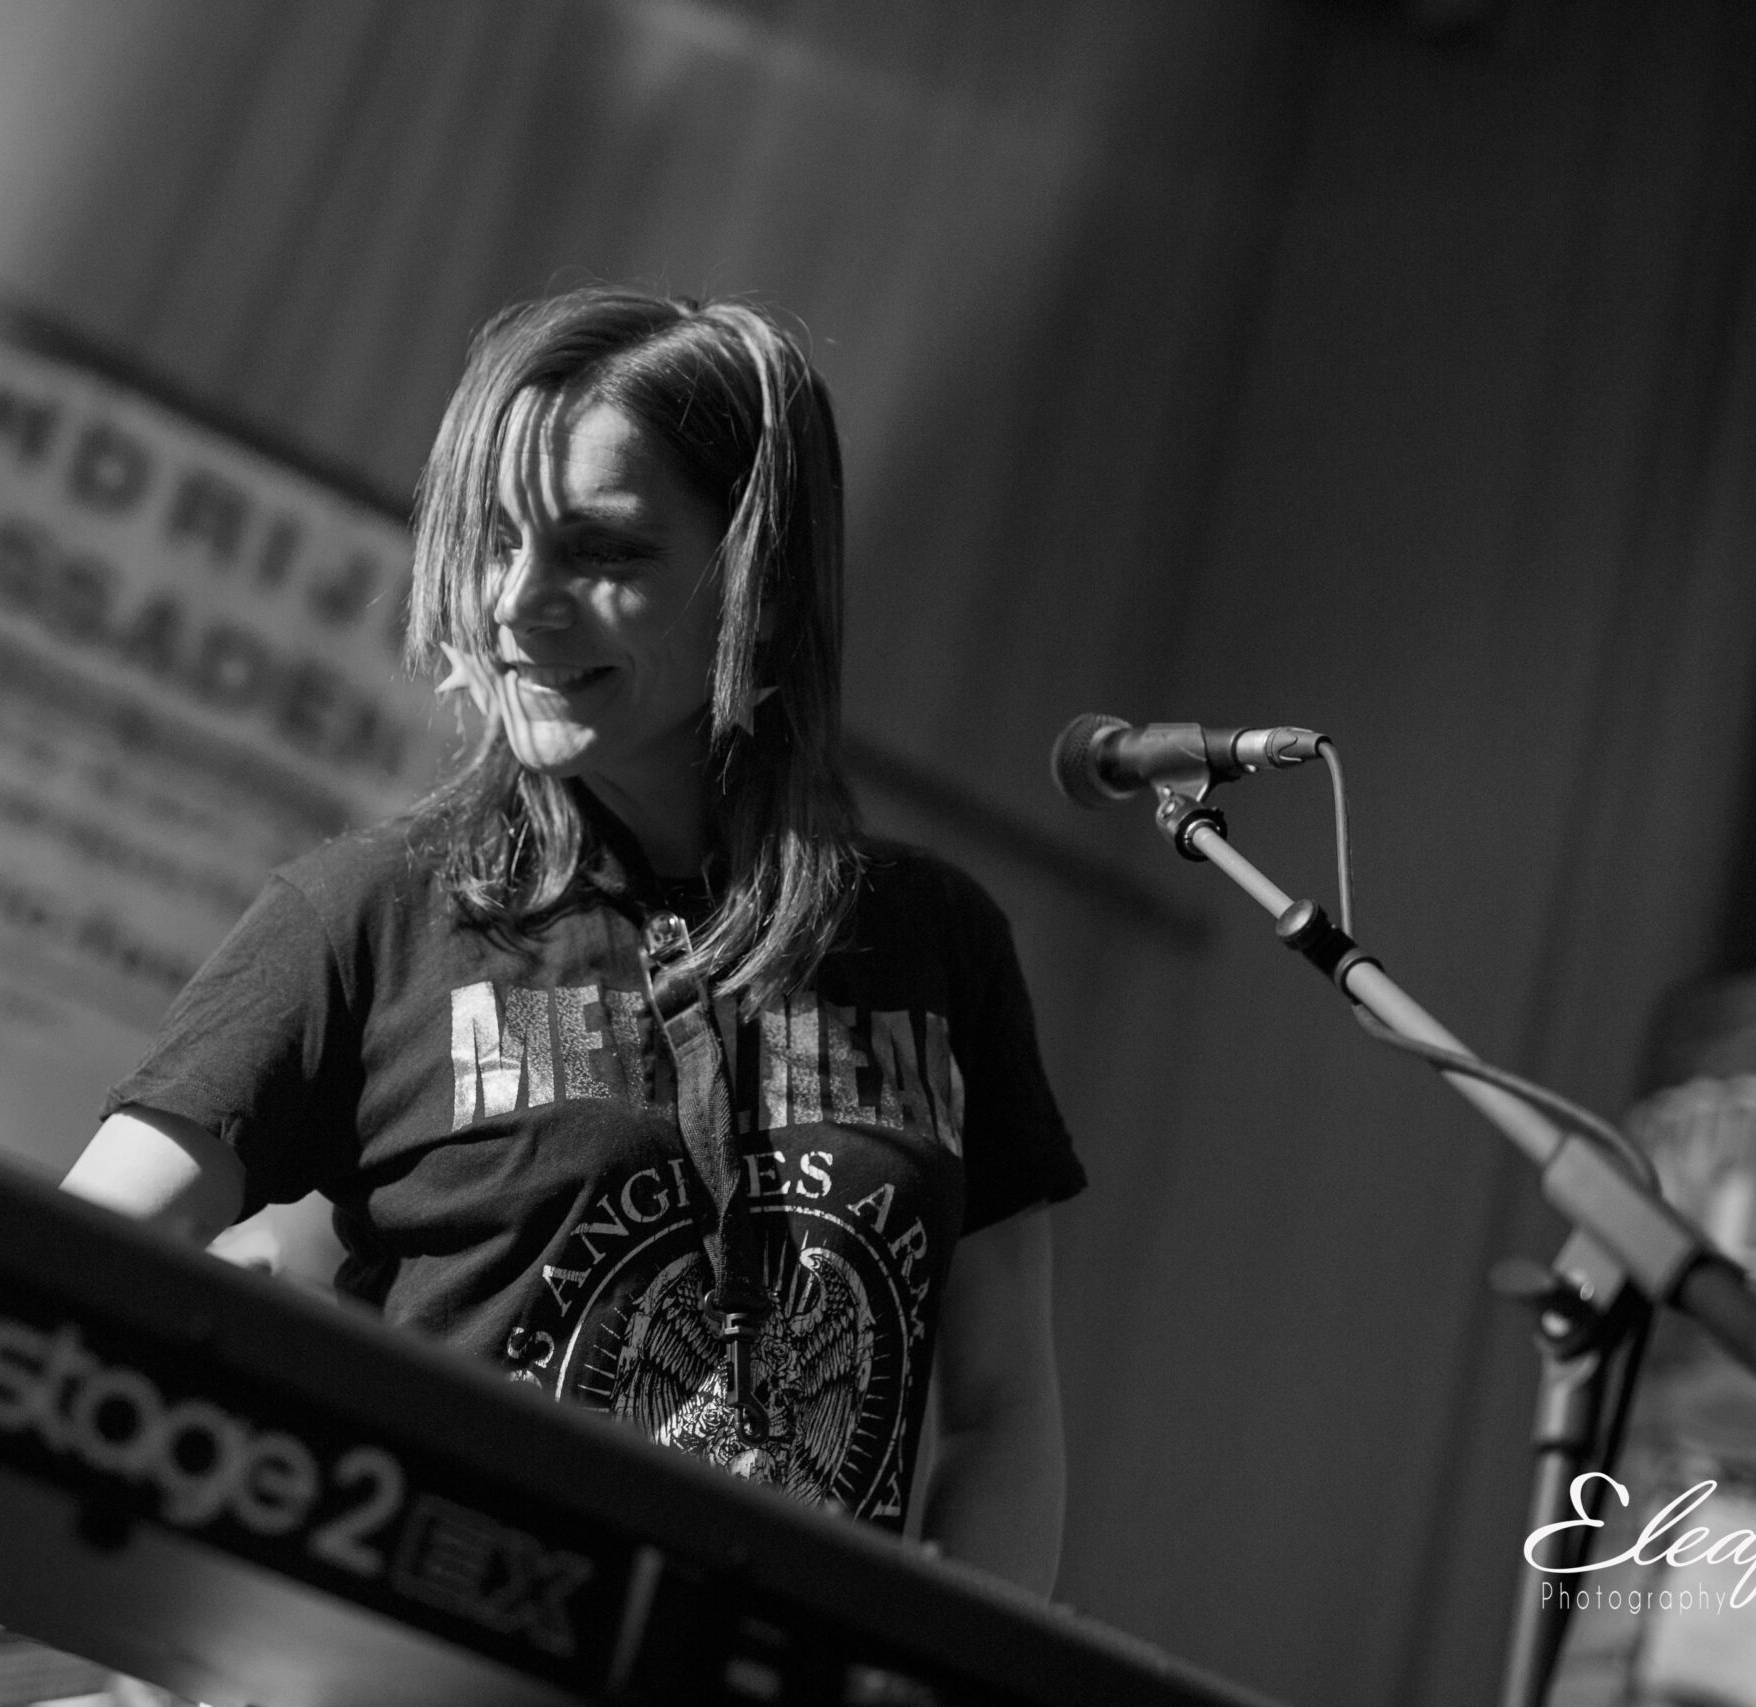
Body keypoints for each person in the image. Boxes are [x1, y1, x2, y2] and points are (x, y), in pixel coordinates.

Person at [65, 286, 1086, 1598]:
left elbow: (1000, 1412)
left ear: (758, 576)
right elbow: (70, 1271)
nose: (519, 602)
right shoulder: (369, 913)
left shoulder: (937, 942)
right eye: (495, 542)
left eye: (602, 551)